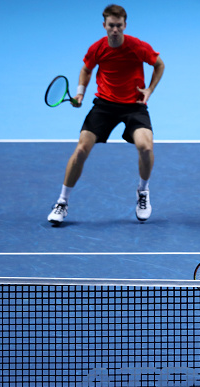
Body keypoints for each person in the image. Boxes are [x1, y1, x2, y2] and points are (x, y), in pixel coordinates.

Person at [47, 4, 165, 225]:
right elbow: (86, 69)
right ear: (104, 25)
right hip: (104, 105)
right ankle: (62, 202)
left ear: (125, 25)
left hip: (134, 105)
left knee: (146, 147)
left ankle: (143, 192)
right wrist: (80, 94)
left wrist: (149, 90)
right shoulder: (97, 48)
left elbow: (159, 65)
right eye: (111, 26)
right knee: (81, 149)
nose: (115, 30)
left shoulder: (138, 47)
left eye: (119, 26)